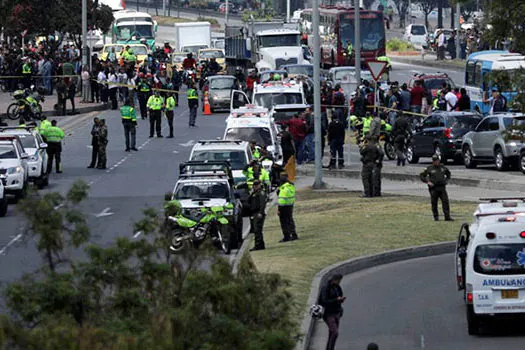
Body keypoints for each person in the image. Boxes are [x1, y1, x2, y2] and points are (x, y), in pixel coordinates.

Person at [420, 154, 453, 221]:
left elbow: (448, 174)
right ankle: (436, 217)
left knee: (445, 202)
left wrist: (446, 180)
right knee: (434, 203)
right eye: (434, 161)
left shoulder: (442, 167)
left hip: (442, 187)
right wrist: (427, 182)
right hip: (434, 188)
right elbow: (422, 176)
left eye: (437, 160)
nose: (436, 162)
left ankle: (447, 216)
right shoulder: (429, 168)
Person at [318, 273, 345, 350]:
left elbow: (340, 295)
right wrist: (336, 300)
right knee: (334, 332)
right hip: (328, 313)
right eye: (338, 280)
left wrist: (341, 300)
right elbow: (324, 300)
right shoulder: (326, 288)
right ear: (334, 280)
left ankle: (329, 348)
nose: (339, 282)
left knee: (332, 333)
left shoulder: (337, 287)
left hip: (337, 312)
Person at [277, 173, 297, 242]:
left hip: (283, 207)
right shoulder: (290, 186)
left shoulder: (283, 189)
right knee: (290, 220)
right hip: (290, 206)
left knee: (284, 222)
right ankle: (293, 234)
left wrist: (279, 210)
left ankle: (286, 236)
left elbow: (281, 200)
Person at [249, 179, 268, 251]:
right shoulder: (254, 193)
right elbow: (248, 201)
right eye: (254, 185)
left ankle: (258, 245)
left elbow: (262, 204)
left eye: (257, 185)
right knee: (257, 229)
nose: (255, 186)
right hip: (254, 213)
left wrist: (261, 212)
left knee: (257, 230)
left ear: (260, 185)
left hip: (258, 213)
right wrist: (252, 193)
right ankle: (261, 245)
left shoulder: (261, 193)